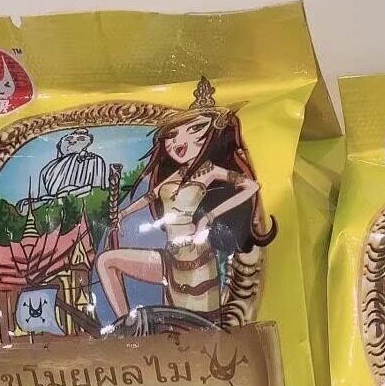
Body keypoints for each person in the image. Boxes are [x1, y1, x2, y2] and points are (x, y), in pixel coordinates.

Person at [97, 100, 275, 327]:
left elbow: (251, 186)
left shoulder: (210, 171)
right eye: (171, 135)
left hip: (196, 260)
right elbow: (150, 197)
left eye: (194, 129)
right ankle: (126, 325)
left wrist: (208, 217)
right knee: (106, 261)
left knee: (192, 328)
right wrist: (122, 214)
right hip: (170, 256)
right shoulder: (177, 174)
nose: (177, 142)